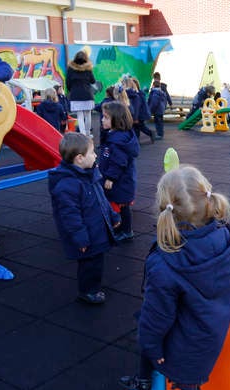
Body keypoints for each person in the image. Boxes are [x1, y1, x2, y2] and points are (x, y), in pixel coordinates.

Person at [118, 165, 230, 390]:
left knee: (188, 384)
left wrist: (154, 347)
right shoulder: (228, 236)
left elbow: (158, 318)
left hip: (190, 341)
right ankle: (144, 380)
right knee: (145, 328)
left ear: (165, 208)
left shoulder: (165, 262)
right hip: (209, 328)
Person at [48, 133, 120, 304]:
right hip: (87, 235)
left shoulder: (89, 174)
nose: (96, 155)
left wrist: (112, 215)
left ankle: (93, 286)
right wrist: (80, 238)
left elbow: (101, 198)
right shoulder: (67, 185)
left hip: (96, 229)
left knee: (96, 262)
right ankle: (87, 291)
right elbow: (69, 216)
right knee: (89, 265)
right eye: (92, 152)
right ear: (80, 158)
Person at [99, 101, 140, 242]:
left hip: (120, 181)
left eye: (106, 117)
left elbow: (119, 162)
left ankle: (126, 231)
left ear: (116, 120)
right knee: (120, 205)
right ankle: (120, 227)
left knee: (122, 206)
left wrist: (110, 177)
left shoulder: (118, 140)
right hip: (121, 179)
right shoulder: (114, 135)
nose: (102, 120)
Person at [66, 50, 96, 136]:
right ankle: (88, 133)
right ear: (86, 59)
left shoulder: (71, 69)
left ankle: (82, 134)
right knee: (88, 115)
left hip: (76, 95)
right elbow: (93, 81)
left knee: (79, 116)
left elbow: (68, 82)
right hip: (87, 95)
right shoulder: (88, 69)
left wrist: (71, 90)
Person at [123, 76, 154, 143]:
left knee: (139, 127)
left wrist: (136, 118)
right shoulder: (136, 93)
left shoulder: (138, 94)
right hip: (137, 114)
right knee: (139, 127)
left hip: (140, 114)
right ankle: (139, 139)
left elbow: (137, 107)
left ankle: (149, 134)